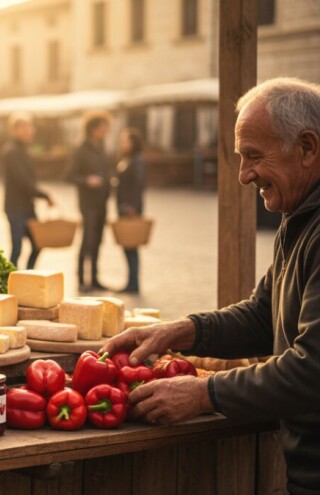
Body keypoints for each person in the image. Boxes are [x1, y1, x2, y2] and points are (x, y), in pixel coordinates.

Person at [102, 78, 320, 494]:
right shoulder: (301, 212)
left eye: (253, 157)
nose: (243, 176)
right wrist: (180, 332)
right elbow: (263, 313)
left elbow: (313, 370)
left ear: (307, 148)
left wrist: (204, 393)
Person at [2, 112, 54, 269]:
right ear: (14, 130)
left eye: (30, 127)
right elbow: (22, 181)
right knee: (17, 247)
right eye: (24, 128)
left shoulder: (25, 150)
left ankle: (28, 276)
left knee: (38, 244)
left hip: (27, 206)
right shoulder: (11, 151)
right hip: (15, 207)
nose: (28, 131)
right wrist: (44, 195)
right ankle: (10, 280)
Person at [68, 111, 112, 291]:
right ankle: (80, 279)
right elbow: (69, 175)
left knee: (98, 240)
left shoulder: (101, 148)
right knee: (87, 240)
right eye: (103, 128)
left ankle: (94, 278)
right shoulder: (81, 149)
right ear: (93, 129)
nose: (106, 131)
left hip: (102, 201)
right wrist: (87, 180)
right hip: (88, 203)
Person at [115, 127, 147, 293]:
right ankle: (130, 281)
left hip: (130, 209)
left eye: (126, 140)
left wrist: (132, 207)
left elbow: (138, 185)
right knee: (127, 246)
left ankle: (133, 283)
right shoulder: (127, 158)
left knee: (131, 246)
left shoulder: (137, 160)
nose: (123, 143)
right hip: (124, 207)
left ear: (134, 142)